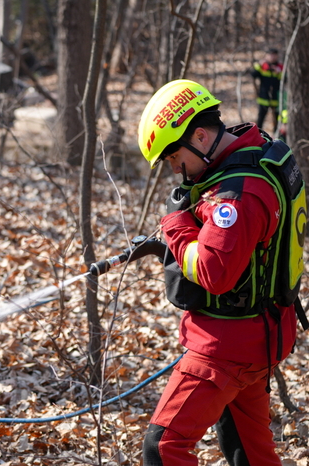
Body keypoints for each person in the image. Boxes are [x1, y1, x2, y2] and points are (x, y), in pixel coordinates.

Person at [137, 79, 305, 464]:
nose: (174, 169)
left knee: (163, 448)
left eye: (172, 157)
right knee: (250, 451)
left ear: (199, 135)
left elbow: (215, 272)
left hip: (226, 347)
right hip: (262, 335)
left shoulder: (237, 193)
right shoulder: (255, 149)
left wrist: (176, 224)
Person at [250, 48, 283, 131]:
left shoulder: (280, 67)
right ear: (266, 56)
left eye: (274, 55)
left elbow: (285, 80)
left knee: (277, 118)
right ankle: (258, 134)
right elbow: (253, 75)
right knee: (261, 118)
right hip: (264, 97)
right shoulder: (263, 67)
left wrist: (278, 72)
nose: (272, 57)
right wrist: (259, 65)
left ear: (277, 56)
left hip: (276, 98)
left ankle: (277, 135)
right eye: (270, 55)